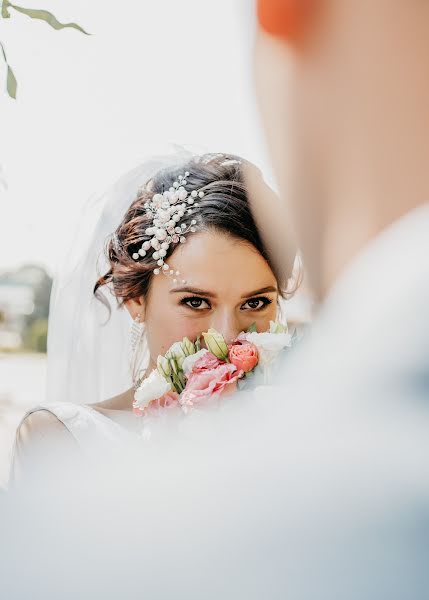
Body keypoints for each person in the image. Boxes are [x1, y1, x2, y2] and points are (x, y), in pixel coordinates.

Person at [10, 152, 297, 481]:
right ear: (135, 299)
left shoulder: (304, 436)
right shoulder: (60, 440)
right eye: (195, 302)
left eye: (256, 303)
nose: (228, 337)